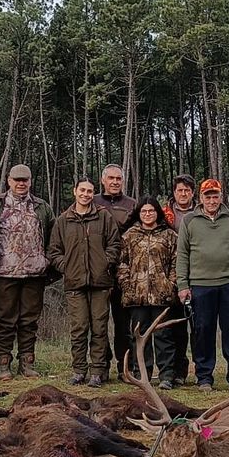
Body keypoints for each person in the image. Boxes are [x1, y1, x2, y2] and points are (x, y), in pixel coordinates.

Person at [175, 178, 229, 391]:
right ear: (200, 198)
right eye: (208, 196)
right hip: (200, 285)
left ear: (221, 197)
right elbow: (183, 255)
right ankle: (204, 377)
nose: (212, 200)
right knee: (203, 330)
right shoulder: (190, 221)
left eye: (215, 195)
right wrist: (183, 285)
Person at [0, 164, 55, 381]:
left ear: (30, 181)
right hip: (3, 273)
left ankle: (27, 363)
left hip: (34, 274)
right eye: (17, 179)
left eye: (25, 179)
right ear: (9, 181)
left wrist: (48, 262)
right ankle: (3, 363)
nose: (21, 183)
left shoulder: (41, 207)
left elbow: (53, 237)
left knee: (29, 321)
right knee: (5, 320)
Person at [50, 177, 122, 386]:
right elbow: (54, 251)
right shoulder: (64, 220)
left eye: (90, 191)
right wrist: (68, 267)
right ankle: (79, 370)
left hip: (100, 283)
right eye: (82, 190)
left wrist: (104, 263)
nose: (85, 195)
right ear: (75, 191)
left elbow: (114, 244)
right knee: (79, 328)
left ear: (94, 194)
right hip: (75, 283)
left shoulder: (103, 217)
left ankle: (98, 371)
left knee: (99, 328)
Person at [117, 197, 177, 377]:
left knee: (163, 336)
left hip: (162, 294)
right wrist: (126, 285)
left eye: (151, 211)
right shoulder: (129, 236)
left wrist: (171, 284)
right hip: (137, 295)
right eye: (144, 211)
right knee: (139, 336)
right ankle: (142, 373)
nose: (148, 214)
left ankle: (167, 375)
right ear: (138, 214)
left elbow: (176, 262)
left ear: (158, 212)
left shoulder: (169, 235)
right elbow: (122, 263)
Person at [93, 164, 138, 385]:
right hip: (97, 272)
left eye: (118, 178)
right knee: (98, 323)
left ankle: (125, 367)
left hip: (124, 272)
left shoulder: (132, 205)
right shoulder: (92, 202)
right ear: (103, 180)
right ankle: (101, 367)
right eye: (110, 178)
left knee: (124, 325)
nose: (114, 182)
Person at [159, 174, 196, 385]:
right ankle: (168, 371)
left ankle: (183, 371)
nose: (183, 194)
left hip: (195, 275)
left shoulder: (200, 213)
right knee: (168, 326)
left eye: (187, 190)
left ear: (192, 193)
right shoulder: (164, 215)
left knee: (189, 326)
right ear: (174, 192)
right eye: (180, 190)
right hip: (166, 277)